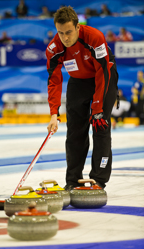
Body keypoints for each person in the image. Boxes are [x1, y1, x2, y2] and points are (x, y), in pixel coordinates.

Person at [46, 6, 118, 190]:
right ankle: (72, 180)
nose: (65, 38)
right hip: (78, 81)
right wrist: (54, 113)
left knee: (100, 126)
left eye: (69, 32)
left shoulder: (95, 38)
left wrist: (98, 108)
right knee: (74, 133)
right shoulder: (54, 49)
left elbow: (103, 72)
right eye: (60, 33)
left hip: (102, 77)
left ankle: (99, 179)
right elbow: (54, 81)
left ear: (78, 27)